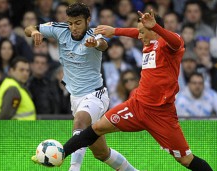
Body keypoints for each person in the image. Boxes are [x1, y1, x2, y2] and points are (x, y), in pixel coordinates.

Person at [33, 9, 213, 171]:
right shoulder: (148, 41)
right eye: (140, 32)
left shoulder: (170, 45)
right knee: (96, 127)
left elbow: (174, 40)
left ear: (154, 29)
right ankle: (62, 153)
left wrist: (156, 28)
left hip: (161, 114)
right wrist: (115, 31)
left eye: (143, 32)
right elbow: (137, 32)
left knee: (186, 160)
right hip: (137, 106)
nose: (139, 36)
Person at [25, 3, 138, 171]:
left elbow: (103, 45)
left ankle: (73, 169)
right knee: (101, 153)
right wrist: (34, 32)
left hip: (95, 95)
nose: (73, 28)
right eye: (70, 23)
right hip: (75, 98)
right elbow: (29, 28)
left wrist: (95, 44)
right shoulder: (60, 29)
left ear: (88, 20)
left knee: (80, 123)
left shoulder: (94, 36)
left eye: (78, 23)